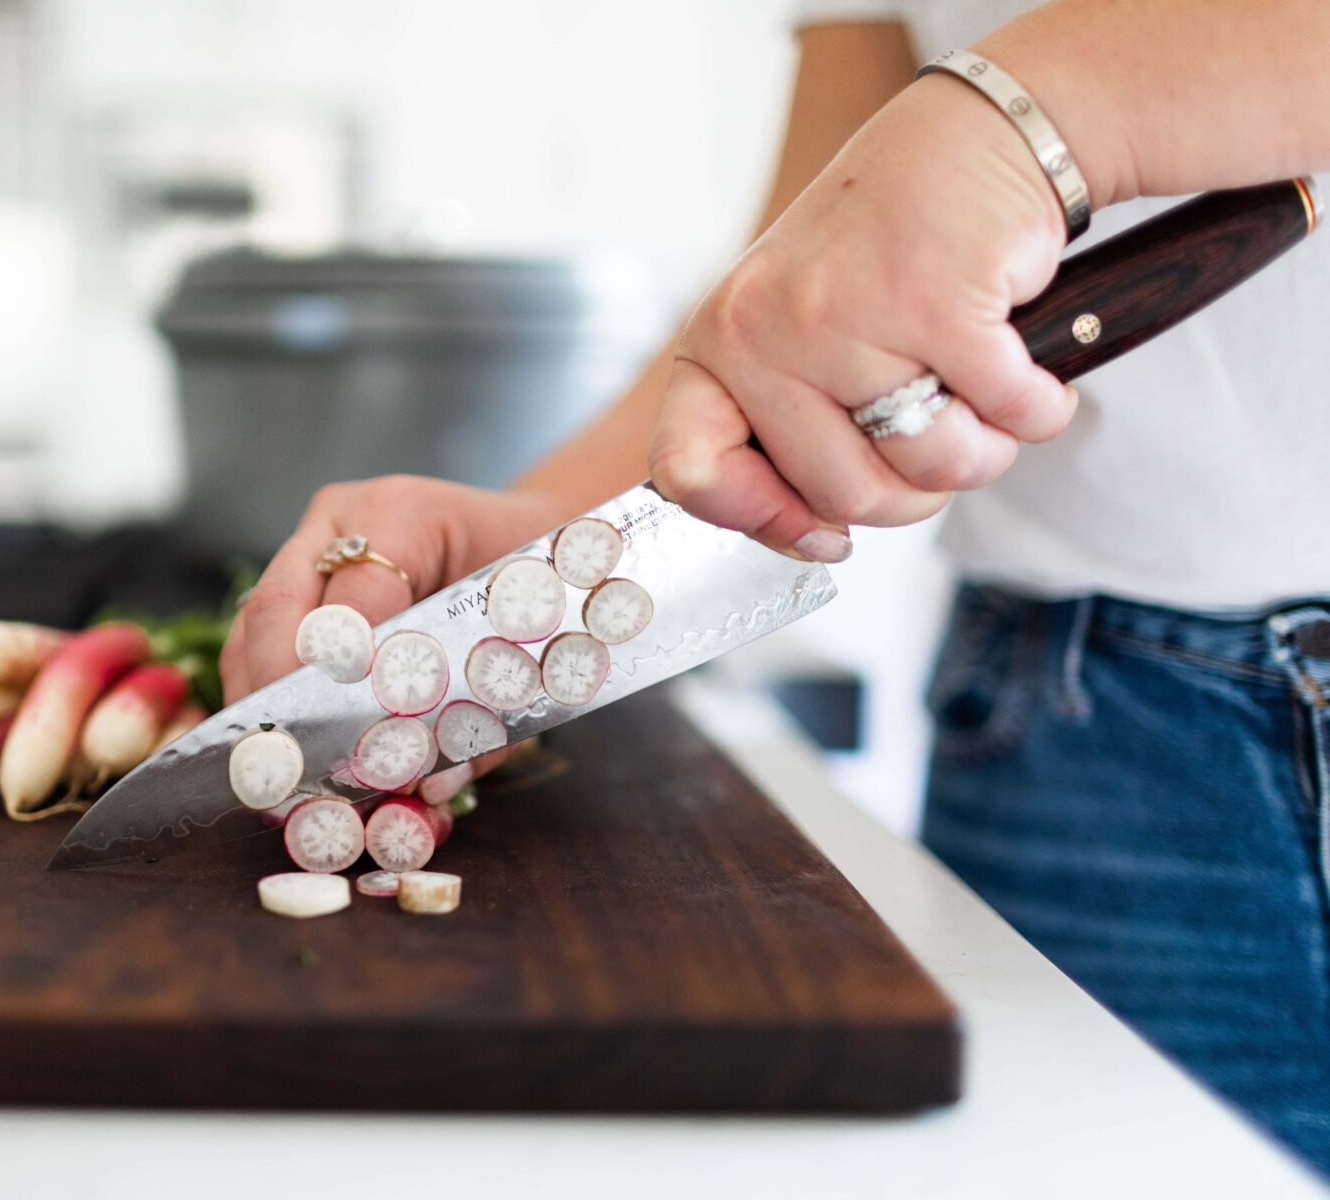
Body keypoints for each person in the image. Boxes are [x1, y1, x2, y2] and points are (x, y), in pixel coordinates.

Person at [218, 0, 1330, 1170]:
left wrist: (1033, 116)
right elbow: (825, 235)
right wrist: (564, 536)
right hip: (1072, 725)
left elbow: (947, 157)